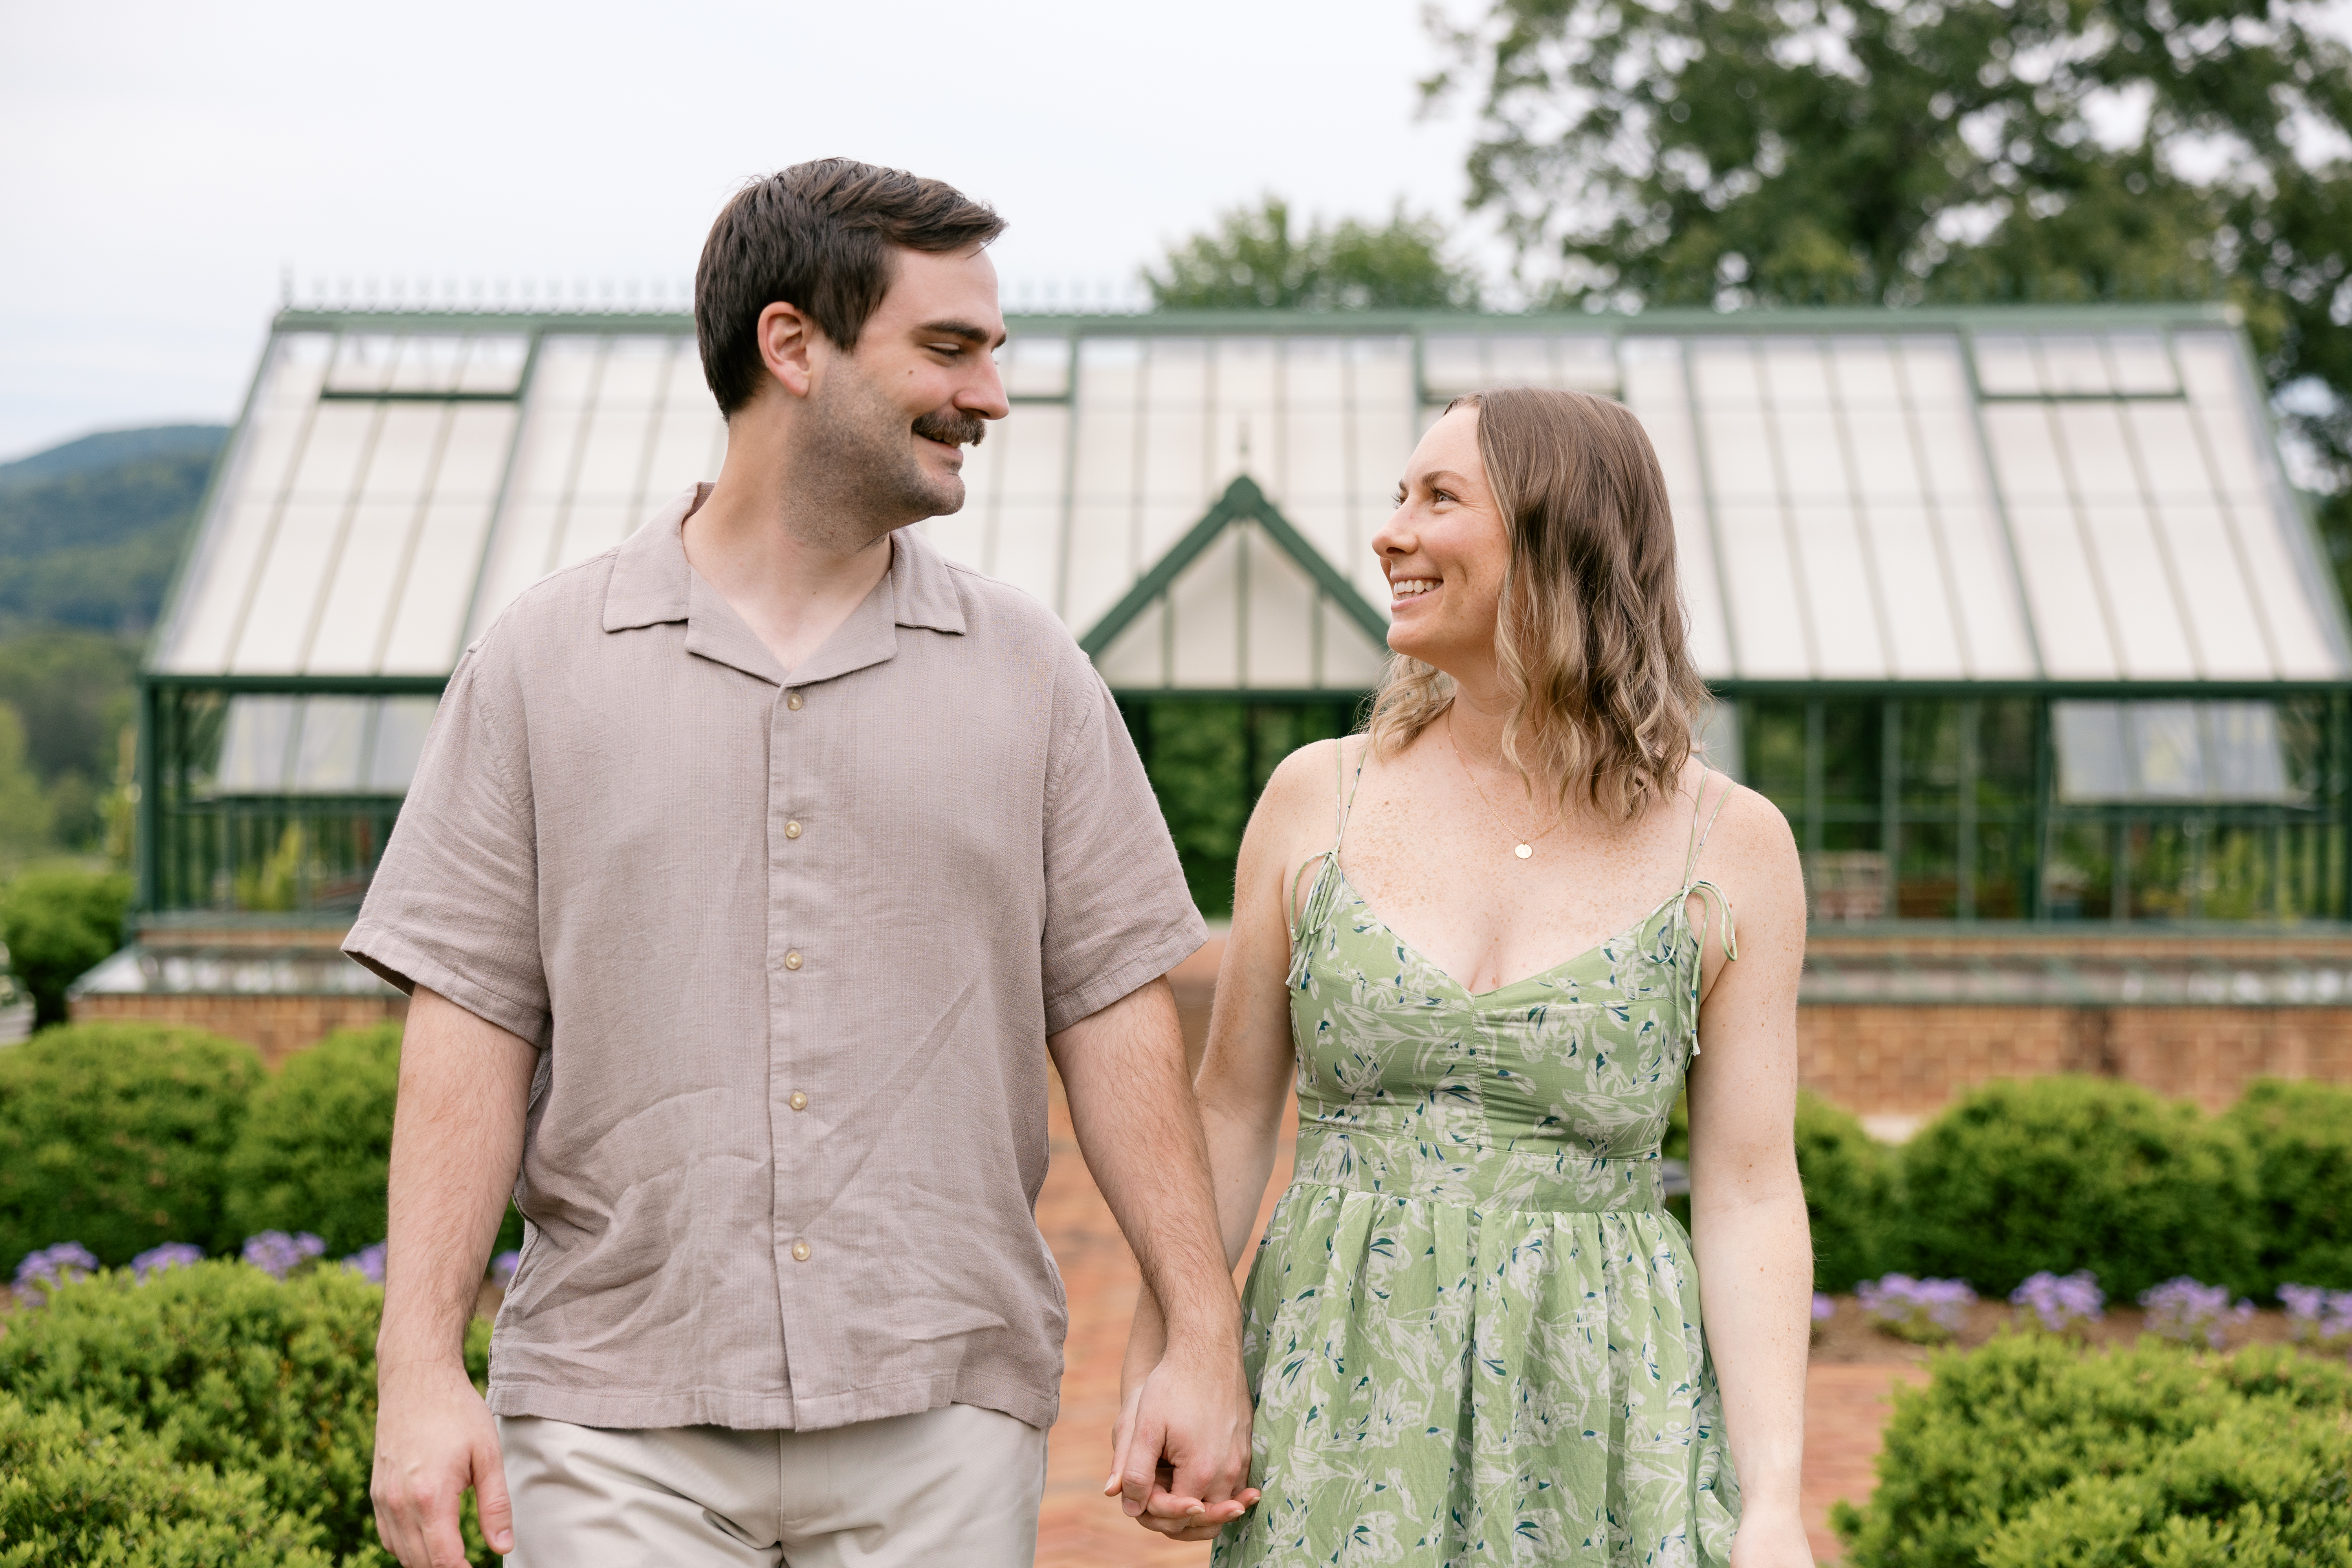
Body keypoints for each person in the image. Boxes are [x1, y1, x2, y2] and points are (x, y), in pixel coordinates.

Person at [351, 159, 1255, 1568]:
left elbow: (1112, 1014)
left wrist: (1201, 1336)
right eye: (946, 349)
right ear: (792, 347)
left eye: (991, 353)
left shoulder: (1034, 676)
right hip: (611, 1416)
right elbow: (469, 1023)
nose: (990, 396)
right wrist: (419, 1372)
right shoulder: (541, 663)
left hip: (943, 1408)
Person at [1111, 387, 1815, 1565]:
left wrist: (1775, 1504)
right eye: (1398, 495)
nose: (1390, 531)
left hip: (1603, 1409)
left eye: (1439, 499)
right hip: (1336, 1386)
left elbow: (1747, 1189)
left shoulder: (1731, 845)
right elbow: (1230, 1113)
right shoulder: (1314, 797)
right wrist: (1167, 1365)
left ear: (1560, 537)